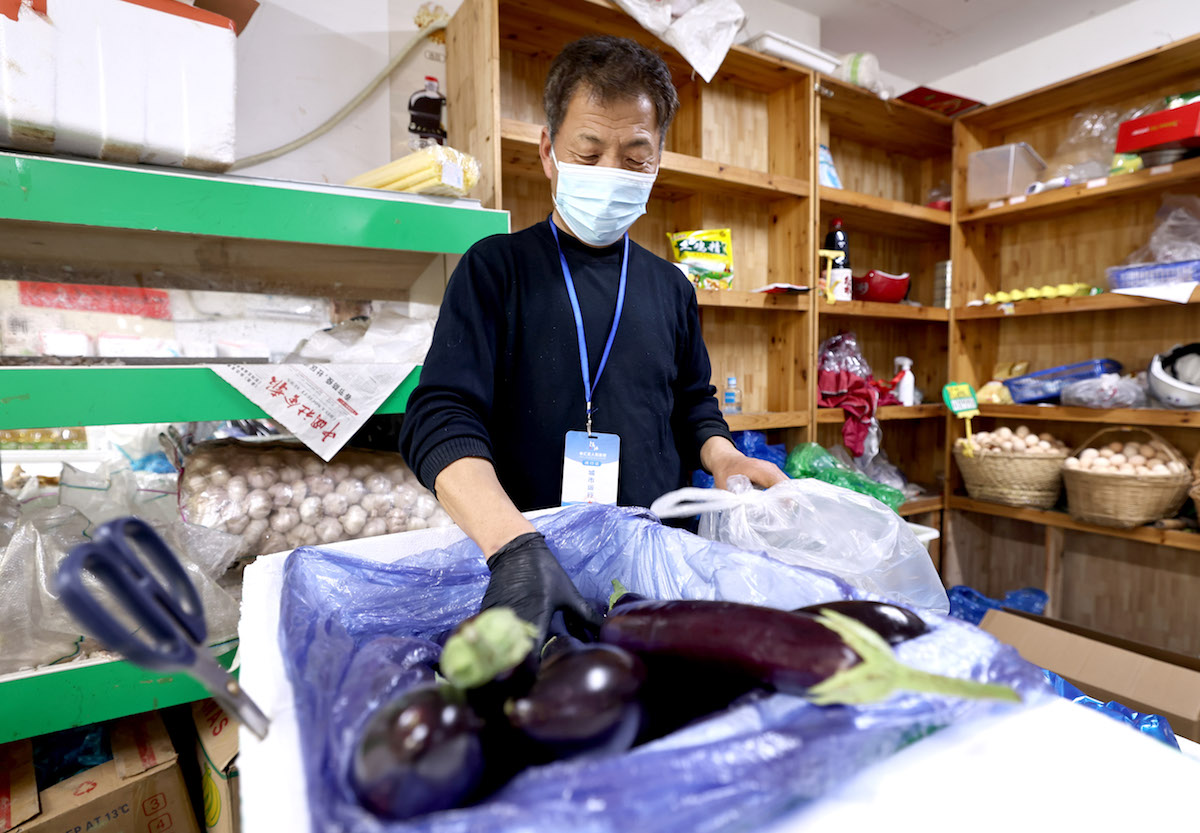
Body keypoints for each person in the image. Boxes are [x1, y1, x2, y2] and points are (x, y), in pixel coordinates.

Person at [399, 35, 787, 642]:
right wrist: (512, 548)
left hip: (653, 577)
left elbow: (694, 404)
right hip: (524, 574)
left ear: (658, 161)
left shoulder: (672, 288)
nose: (611, 173)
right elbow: (440, 416)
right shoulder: (495, 269)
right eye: (588, 150)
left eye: (635, 158)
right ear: (549, 152)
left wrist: (726, 457)